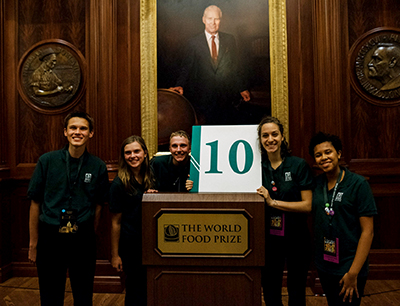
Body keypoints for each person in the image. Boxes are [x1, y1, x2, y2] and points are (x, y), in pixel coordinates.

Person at [27, 111, 109, 306]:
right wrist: (33, 244)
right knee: (50, 293)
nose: (77, 132)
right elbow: (35, 203)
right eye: (73, 128)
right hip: (50, 237)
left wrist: (90, 232)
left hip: (83, 238)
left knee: (83, 293)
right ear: (65, 132)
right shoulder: (46, 161)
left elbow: (99, 205)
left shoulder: (98, 166)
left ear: (91, 133)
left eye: (83, 128)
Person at [308, 132, 377, 306]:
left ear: (338, 154)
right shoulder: (316, 184)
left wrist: (353, 273)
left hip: (350, 265)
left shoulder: (358, 184)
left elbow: (368, 232)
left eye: (328, 152)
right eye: (318, 155)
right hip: (325, 264)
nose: (324, 157)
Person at [256, 116, 314, 306]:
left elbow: (307, 205)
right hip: (268, 238)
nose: (270, 139)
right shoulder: (255, 168)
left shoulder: (298, 165)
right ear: (260, 140)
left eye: (274, 134)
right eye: (265, 135)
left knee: (296, 289)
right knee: (270, 289)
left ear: (282, 137)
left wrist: (273, 203)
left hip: (297, 235)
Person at [170, 5, 251, 125]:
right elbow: (187, 67)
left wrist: (242, 88)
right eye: (209, 18)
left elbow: (234, 67)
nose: (213, 22)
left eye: (216, 19)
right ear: (204, 20)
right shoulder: (193, 43)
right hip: (202, 97)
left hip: (226, 96)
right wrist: (180, 85)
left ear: (220, 20)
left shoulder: (229, 40)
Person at [109, 136, 156, 306]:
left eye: (137, 151)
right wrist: (115, 255)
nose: (133, 156)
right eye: (128, 153)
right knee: (134, 290)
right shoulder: (118, 184)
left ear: (145, 153)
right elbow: (115, 222)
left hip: (152, 243)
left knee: (151, 287)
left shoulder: (152, 176)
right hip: (131, 245)